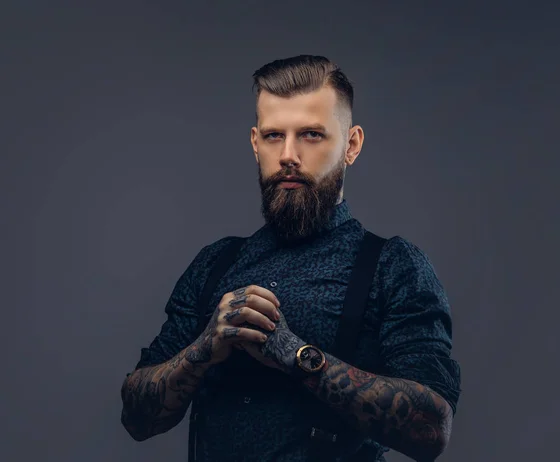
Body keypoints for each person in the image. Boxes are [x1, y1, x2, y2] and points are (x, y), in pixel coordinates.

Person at [120, 55, 462, 462]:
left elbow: (430, 428)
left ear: (351, 145)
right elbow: (137, 418)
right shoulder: (215, 263)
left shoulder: (393, 266)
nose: (288, 155)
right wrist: (205, 347)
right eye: (273, 136)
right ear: (254, 143)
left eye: (311, 135)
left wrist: (294, 353)